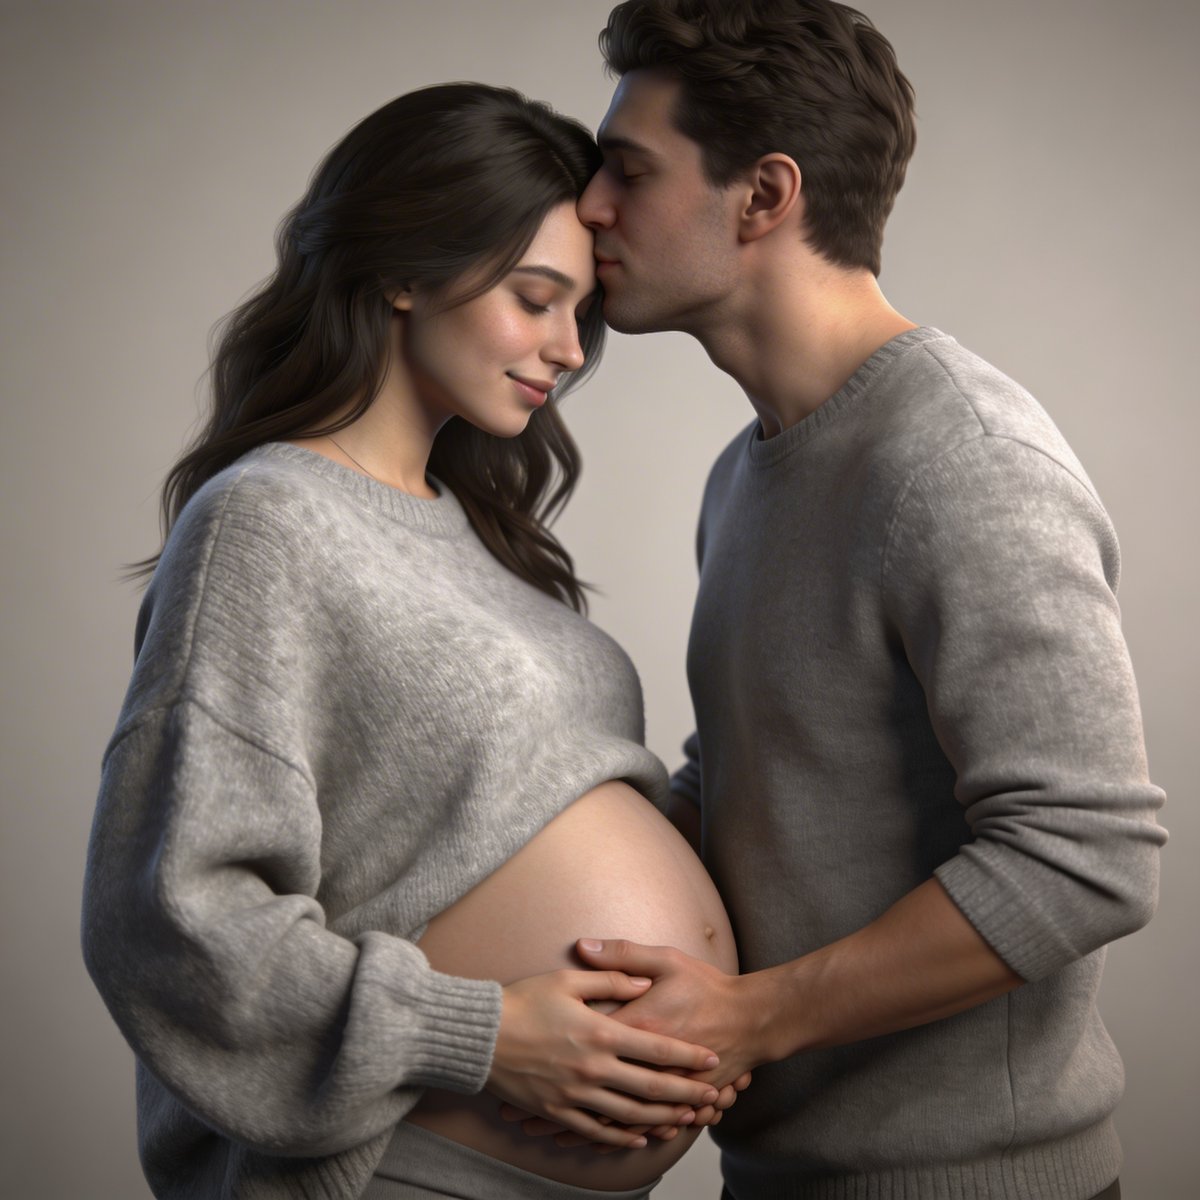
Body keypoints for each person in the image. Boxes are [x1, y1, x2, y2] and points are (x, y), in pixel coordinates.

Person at [80, 82, 743, 1200]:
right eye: (536, 299)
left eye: (581, 311)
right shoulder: (269, 518)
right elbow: (170, 920)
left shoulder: (481, 534)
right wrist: (479, 1033)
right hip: (398, 1169)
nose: (570, 348)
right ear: (401, 270)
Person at [560, 3, 1167, 1198]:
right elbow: (761, 786)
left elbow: (1088, 856)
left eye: (629, 169)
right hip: (787, 1175)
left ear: (764, 195)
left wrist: (750, 1017)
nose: (589, 207)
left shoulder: (962, 461)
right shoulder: (750, 469)